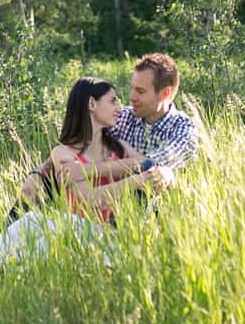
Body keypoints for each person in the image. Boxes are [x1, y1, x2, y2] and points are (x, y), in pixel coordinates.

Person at [0, 77, 162, 283]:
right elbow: (89, 199)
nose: (119, 106)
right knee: (33, 220)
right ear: (91, 104)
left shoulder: (120, 147)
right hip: (79, 237)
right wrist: (137, 176)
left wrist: (88, 171)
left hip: (109, 240)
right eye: (113, 100)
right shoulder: (62, 153)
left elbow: (146, 163)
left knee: (62, 223)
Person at [13, 52, 198, 213]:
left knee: (145, 184)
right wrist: (38, 174)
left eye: (140, 91)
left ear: (165, 93)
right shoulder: (124, 116)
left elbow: (149, 167)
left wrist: (84, 171)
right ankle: (3, 240)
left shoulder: (182, 129)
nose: (131, 97)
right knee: (42, 182)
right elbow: (77, 145)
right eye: (132, 88)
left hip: (150, 203)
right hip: (107, 198)